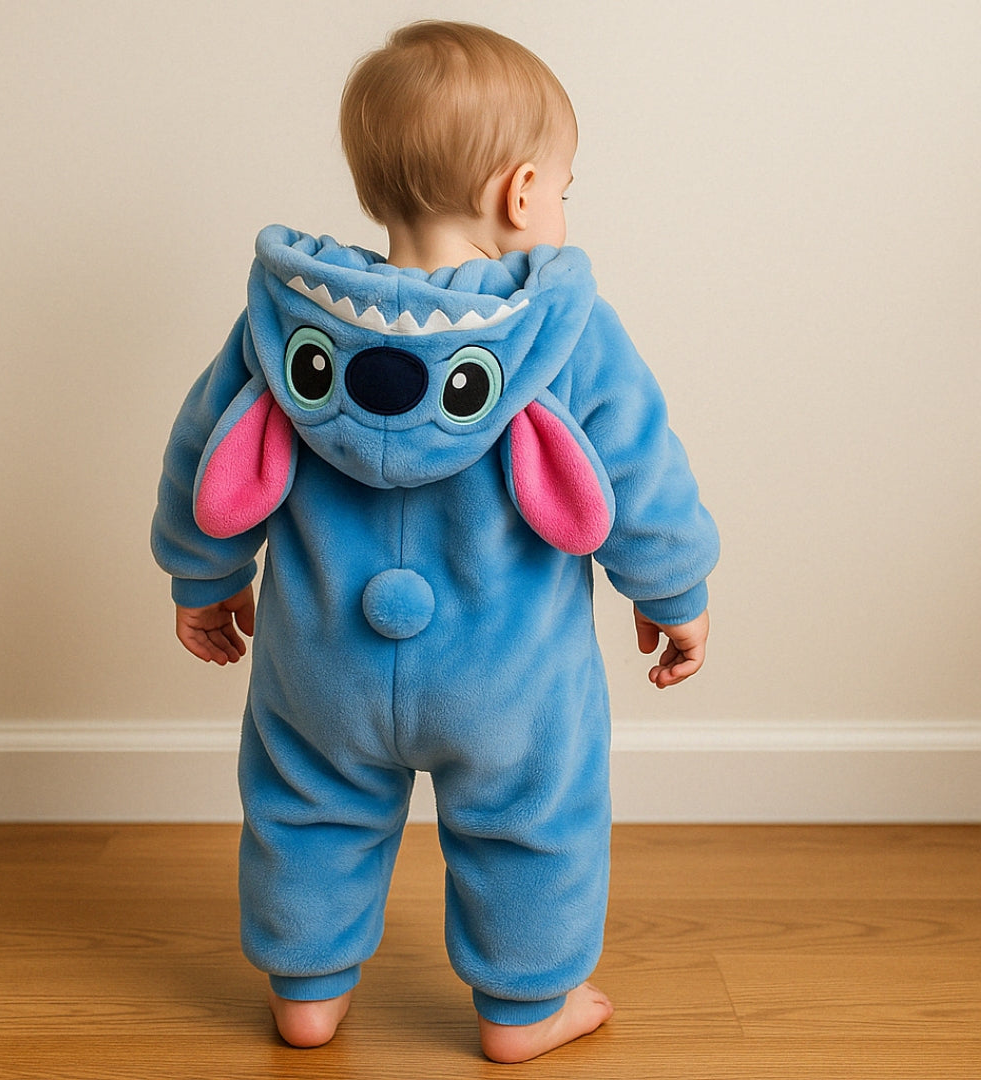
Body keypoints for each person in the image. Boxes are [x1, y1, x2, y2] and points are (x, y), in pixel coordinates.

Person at [151, 20, 718, 1064]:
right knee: (533, 821)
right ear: (522, 192)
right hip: (509, 681)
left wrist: (204, 577)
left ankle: (307, 995)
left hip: (321, 667)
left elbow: (208, 452)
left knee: (307, 810)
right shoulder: (560, 327)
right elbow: (641, 473)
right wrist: (673, 593)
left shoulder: (290, 321)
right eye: (565, 187)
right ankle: (523, 1010)